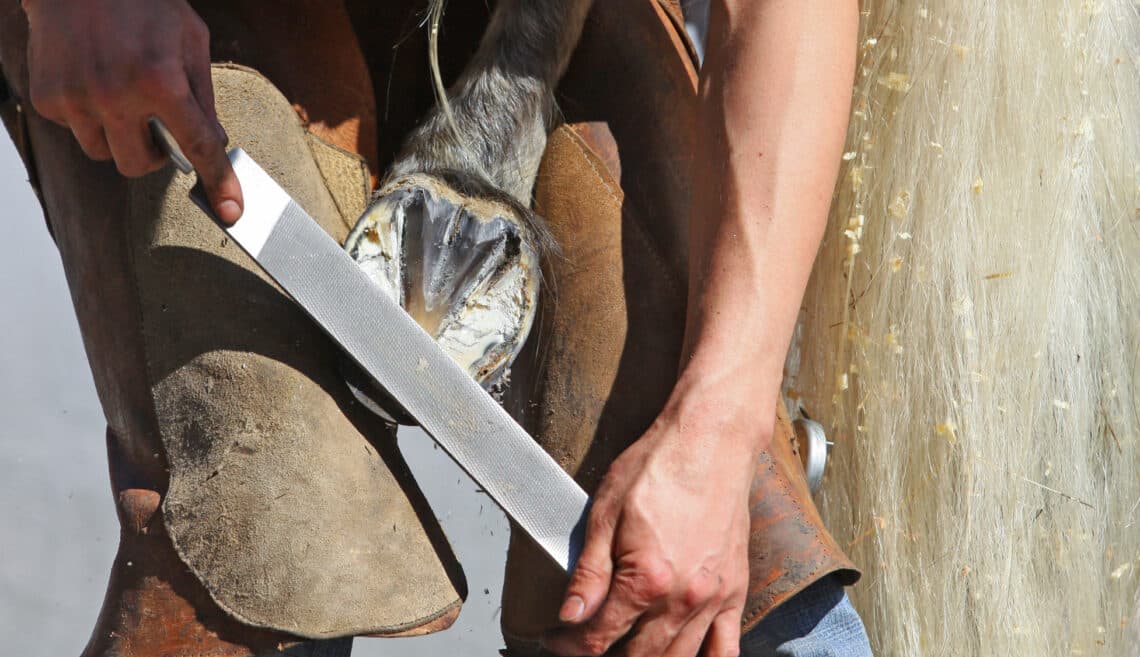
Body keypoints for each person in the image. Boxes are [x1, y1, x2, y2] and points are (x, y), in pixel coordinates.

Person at [0, 1, 872, 655]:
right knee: (253, 531)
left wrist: (720, 422)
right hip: (189, 32)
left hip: (546, 30)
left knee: (694, 574)